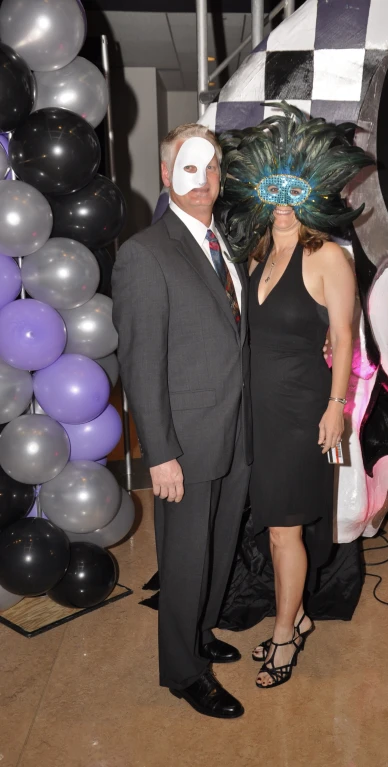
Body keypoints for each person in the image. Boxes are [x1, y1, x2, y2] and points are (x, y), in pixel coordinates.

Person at [218, 103, 372, 688]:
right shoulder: (258, 252)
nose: (281, 203)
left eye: (293, 191)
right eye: (271, 191)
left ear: (312, 195)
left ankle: (284, 635)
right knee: (274, 523)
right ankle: (298, 616)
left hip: (302, 410)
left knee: (285, 527)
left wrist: (337, 407)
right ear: (257, 194)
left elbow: (343, 337)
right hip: (257, 411)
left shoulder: (326, 256)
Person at [112, 124, 252, 719]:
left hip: (235, 430)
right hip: (186, 442)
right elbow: (140, 363)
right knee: (187, 555)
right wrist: (160, 452)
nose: (203, 179)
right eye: (189, 167)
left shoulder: (223, 245)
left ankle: (200, 633)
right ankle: (183, 669)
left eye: (213, 167)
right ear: (167, 175)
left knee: (220, 547)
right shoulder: (145, 253)